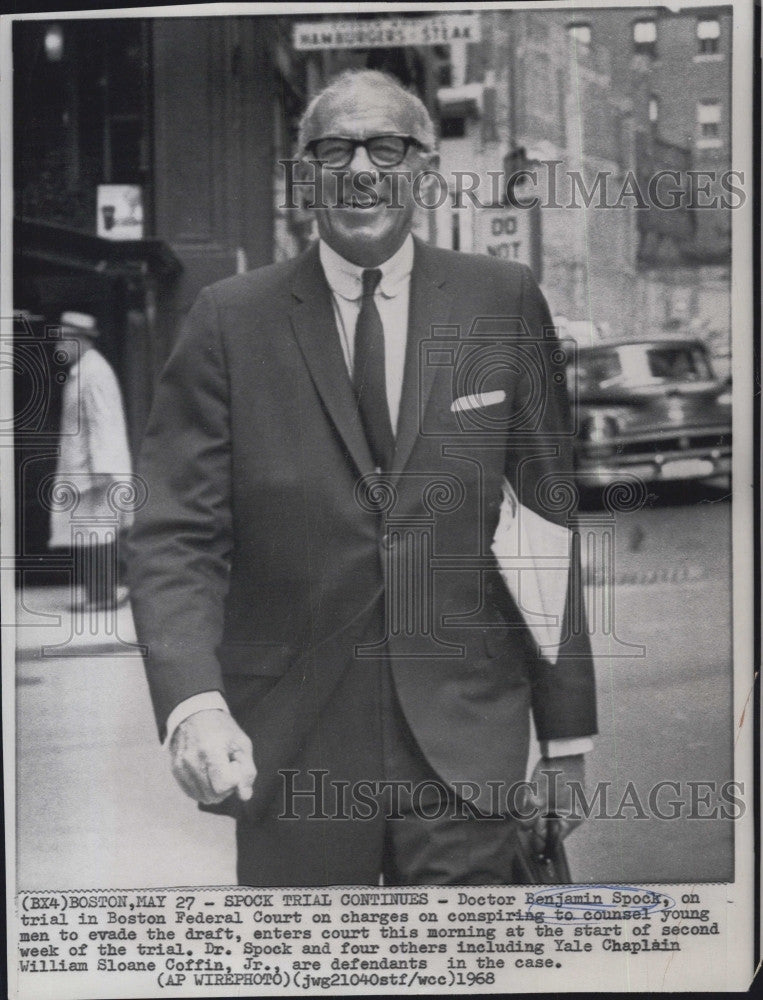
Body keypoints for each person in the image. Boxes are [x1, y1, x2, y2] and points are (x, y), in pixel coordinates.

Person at [128, 69, 596, 886]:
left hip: (463, 742)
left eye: (386, 146)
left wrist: (566, 739)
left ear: (425, 169)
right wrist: (193, 704)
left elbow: (540, 527)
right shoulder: (227, 320)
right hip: (294, 746)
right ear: (303, 175)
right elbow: (175, 537)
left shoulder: (502, 301)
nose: (360, 170)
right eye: (333, 149)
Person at [49, 311, 132, 611]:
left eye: (61, 340)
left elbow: (103, 423)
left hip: (95, 473)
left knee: (98, 535)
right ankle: (99, 595)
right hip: (83, 471)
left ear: (77, 340)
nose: (58, 347)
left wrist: (104, 472)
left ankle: (103, 597)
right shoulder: (82, 371)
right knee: (88, 535)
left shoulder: (94, 374)